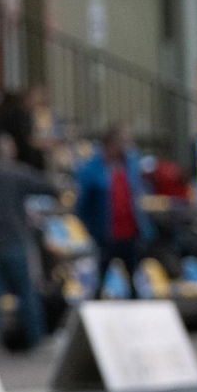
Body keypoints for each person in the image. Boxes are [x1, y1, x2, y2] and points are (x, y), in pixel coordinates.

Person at [0, 131, 59, 350]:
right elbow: (49, 187)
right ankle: (36, 340)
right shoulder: (15, 172)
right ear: (7, 150)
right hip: (15, 240)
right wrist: (48, 158)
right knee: (27, 292)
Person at [76, 124, 152, 296]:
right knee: (99, 283)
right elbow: (82, 207)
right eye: (123, 142)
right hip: (106, 235)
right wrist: (92, 229)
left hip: (130, 233)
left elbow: (136, 198)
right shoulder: (91, 169)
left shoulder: (130, 166)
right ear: (110, 144)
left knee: (135, 282)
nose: (127, 146)